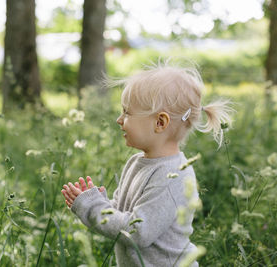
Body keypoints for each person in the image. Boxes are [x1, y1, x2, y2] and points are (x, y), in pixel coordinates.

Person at [61, 61, 234, 267]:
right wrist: (101, 204)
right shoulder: (137, 162)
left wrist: (92, 208)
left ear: (160, 123)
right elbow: (124, 215)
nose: (119, 119)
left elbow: (137, 232)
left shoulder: (173, 176)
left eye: (127, 112)